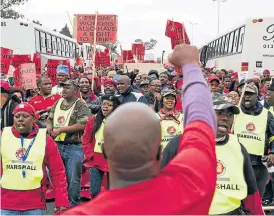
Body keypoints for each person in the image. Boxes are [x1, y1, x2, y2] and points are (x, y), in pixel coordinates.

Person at [62, 44, 217, 215]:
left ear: (106, 150)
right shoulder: (189, 188)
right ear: (158, 151)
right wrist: (190, 66)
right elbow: (201, 122)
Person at [161, 95, 264, 215]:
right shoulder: (179, 144)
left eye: (230, 115)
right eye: (219, 113)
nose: (225, 118)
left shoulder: (238, 148)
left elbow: (251, 193)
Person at [0, 103, 69, 215]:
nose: (20, 119)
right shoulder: (3, 136)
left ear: (33, 119)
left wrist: (62, 202)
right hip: (6, 203)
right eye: (17, 116)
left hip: (33, 204)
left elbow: (58, 173)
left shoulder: (45, 140)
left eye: (25, 116)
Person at [47, 80, 91, 206]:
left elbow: (83, 125)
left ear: (76, 90)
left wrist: (61, 130)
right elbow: (50, 119)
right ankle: (62, 203)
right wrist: (50, 127)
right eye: (63, 88)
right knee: (55, 176)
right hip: (57, 146)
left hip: (73, 147)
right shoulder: (58, 102)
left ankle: (73, 206)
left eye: (67, 88)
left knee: (73, 180)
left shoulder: (80, 105)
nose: (63, 90)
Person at [233, 84, 274, 197]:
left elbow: (273, 136)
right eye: (245, 94)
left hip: (258, 165)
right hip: (237, 162)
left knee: (254, 199)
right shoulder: (234, 112)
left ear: (257, 96)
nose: (247, 97)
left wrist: (272, 152)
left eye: (250, 94)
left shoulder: (267, 115)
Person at [82, 95, 121, 199]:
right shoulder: (93, 120)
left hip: (113, 162)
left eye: (109, 105)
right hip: (96, 160)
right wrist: (91, 155)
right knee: (95, 192)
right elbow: (85, 140)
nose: (105, 107)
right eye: (104, 104)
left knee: (112, 193)